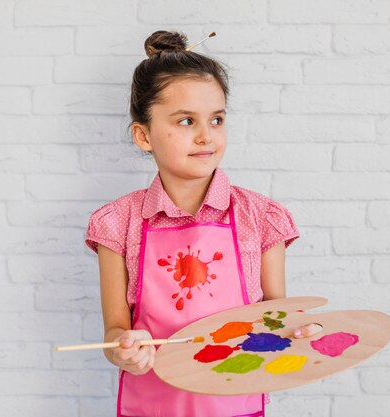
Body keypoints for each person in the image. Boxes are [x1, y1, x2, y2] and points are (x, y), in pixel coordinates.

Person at [85, 30, 319, 417]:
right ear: (143, 136)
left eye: (216, 119)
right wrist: (123, 349)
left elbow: (278, 314)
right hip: (153, 406)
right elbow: (114, 331)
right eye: (186, 121)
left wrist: (298, 332)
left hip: (236, 405)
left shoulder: (260, 217)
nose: (205, 136)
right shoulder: (117, 222)